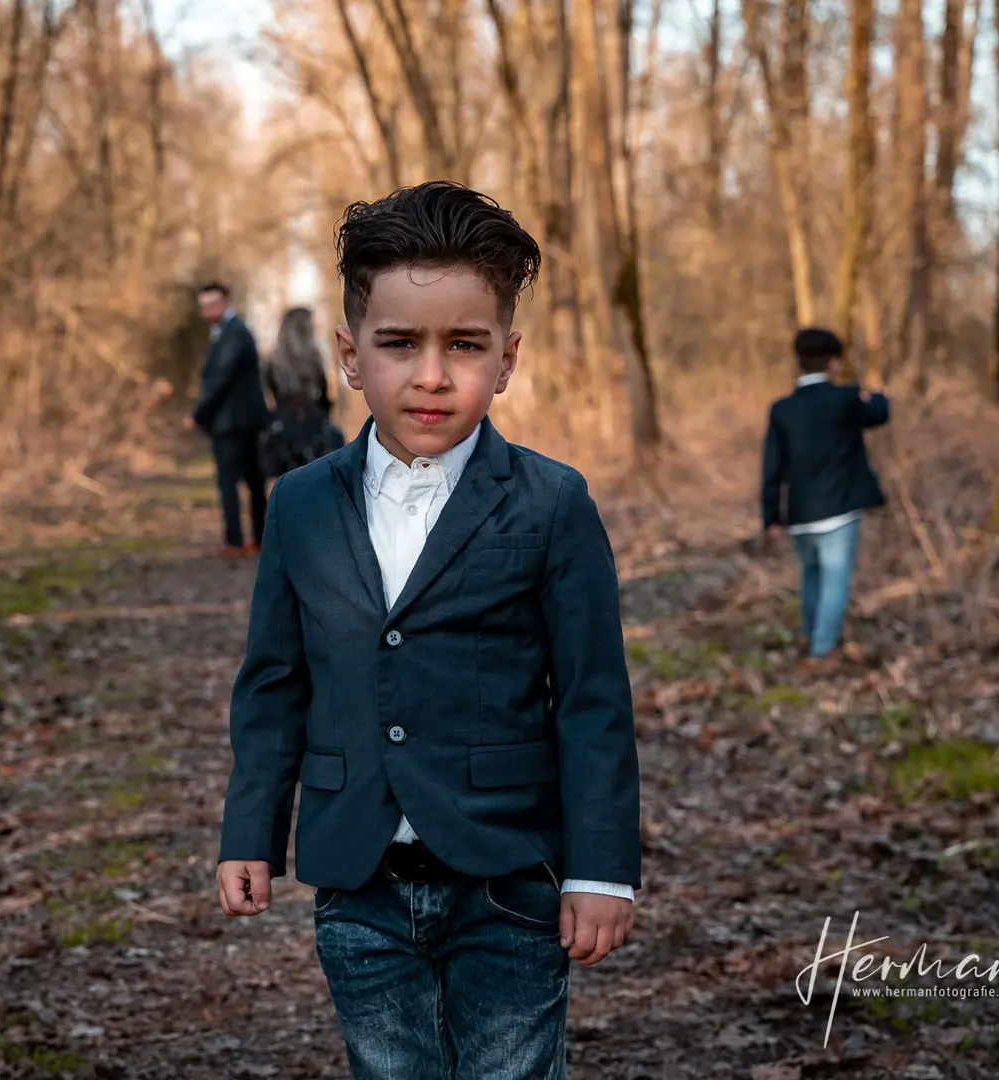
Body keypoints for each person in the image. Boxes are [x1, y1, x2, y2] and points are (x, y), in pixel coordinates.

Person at [215, 181, 641, 1080]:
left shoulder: (553, 502)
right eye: (400, 344)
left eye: (465, 345)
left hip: (511, 878)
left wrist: (601, 871)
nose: (433, 374)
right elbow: (273, 684)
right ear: (349, 355)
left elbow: (593, 699)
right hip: (357, 879)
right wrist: (251, 829)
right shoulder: (300, 505)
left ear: (508, 358)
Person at [762, 328, 890, 669]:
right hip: (840, 509)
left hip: (800, 514)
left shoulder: (782, 410)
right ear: (833, 363)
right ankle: (821, 651)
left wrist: (771, 516)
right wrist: (874, 392)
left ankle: (810, 636)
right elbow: (880, 412)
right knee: (834, 579)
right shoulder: (846, 400)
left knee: (812, 577)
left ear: (798, 363)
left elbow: (771, 466)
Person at [185, 283, 271, 557]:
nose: (206, 311)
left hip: (235, 423)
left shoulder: (234, 333)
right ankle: (255, 539)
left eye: (211, 305)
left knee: (237, 483)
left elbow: (219, 379)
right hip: (239, 421)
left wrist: (198, 415)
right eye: (203, 306)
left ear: (224, 303)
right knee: (251, 482)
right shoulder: (227, 332)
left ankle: (238, 542)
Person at [260, 306, 346, 478]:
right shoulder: (315, 357)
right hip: (312, 425)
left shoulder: (273, 358)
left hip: (282, 427)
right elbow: (323, 395)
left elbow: (271, 393)